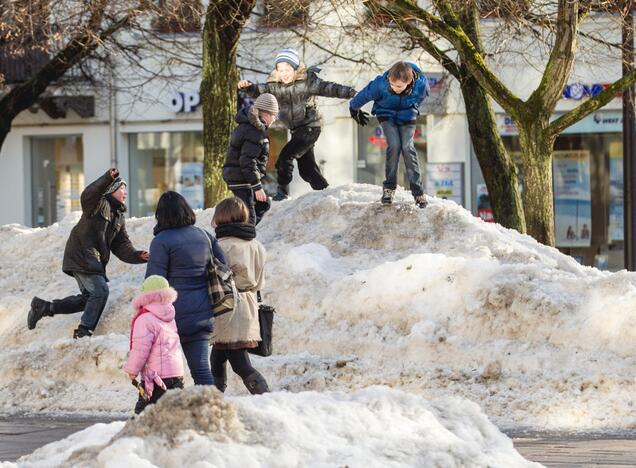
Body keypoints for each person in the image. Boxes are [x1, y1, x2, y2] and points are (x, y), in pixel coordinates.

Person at [27, 168, 148, 338]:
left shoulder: (118, 216)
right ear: (111, 190)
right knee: (100, 291)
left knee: (89, 298)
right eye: (122, 188)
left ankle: (45, 307)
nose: (125, 193)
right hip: (82, 254)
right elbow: (88, 194)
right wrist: (107, 178)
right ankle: (84, 332)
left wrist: (137, 255)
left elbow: (121, 245)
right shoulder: (97, 204)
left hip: (90, 258)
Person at [238, 47, 357, 200]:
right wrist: (248, 87)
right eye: (280, 70)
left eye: (288, 69)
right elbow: (259, 90)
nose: (284, 74)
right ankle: (326, 193)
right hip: (296, 130)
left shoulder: (307, 81)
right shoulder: (275, 85)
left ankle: (282, 192)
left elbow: (329, 88)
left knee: (284, 158)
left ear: (295, 69)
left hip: (310, 127)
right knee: (307, 170)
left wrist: (351, 93)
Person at [145, 191, 226, 385]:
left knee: (165, 373)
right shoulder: (204, 236)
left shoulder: (161, 241)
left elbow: (154, 282)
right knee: (201, 371)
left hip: (171, 317)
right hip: (202, 314)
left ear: (161, 215)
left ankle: (169, 411)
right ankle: (210, 410)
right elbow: (223, 265)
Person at [349, 61, 430, 208]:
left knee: (407, 147)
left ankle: (418, 192)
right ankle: (389, 189)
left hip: (407, 115)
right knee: (394, 145)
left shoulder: (421, 85)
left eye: (398, 86)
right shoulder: (381, 83)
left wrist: (414, 108)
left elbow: (421, 98)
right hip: (386, 114)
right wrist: (354, 108)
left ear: (409, 82)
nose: (394, 88)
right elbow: (365, 94)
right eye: (392, 84)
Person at [210, 197, 269, 395]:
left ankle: (266, 397)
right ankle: (215, 397)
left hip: (227, 307)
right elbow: (260, 281)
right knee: (218, 355)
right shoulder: (257, 246)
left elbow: (215, 279)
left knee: (239, 362)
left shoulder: (220, 246)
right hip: (249, 303)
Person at [124, 275, 184, 414]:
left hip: (157, 378)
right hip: (176, 374)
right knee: (172, 415)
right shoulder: (169, 315)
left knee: (142, 417)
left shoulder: (145, 318)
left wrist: (132, 370)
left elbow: (141, 349)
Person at [223, 93, 279, 225]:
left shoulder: (252, 127)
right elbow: (247, 161)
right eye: (274, 115)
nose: (274, 119)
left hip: (241, 177)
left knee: (263, 204)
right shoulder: (254, 131)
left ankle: (237, 230)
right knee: (250, 219)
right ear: (265, 113)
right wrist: (256, 186)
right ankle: (241, 238)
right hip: (241, 179)